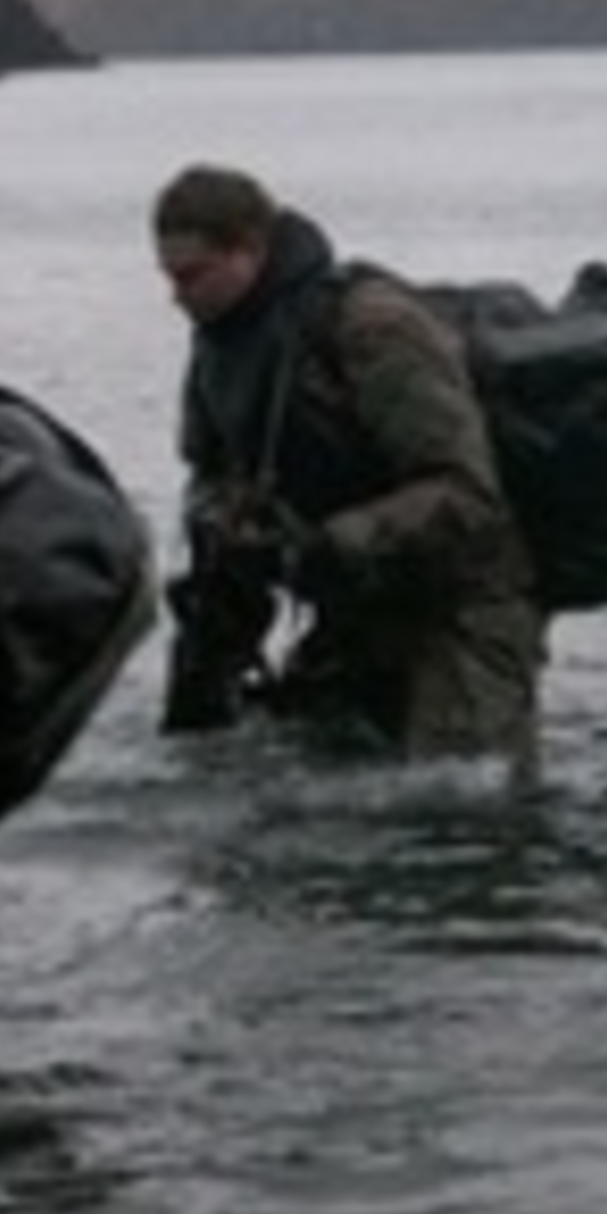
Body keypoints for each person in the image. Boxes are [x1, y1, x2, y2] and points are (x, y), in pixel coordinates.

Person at [151, 162, 544, 776]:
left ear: (248, 251)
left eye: (191, 275)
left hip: (462, 605)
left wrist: (334, 543)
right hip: (352, 609)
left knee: (464, 801)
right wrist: (231, 530)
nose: (177, 297)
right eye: (169, 278)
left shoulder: (371, 325)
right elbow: (207, 471)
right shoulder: (220, 351)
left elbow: (466, 492)